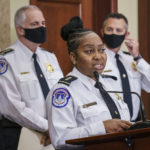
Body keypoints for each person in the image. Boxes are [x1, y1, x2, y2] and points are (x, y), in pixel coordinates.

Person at [46, 16, 132, 150]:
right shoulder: (63, 91)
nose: (98, 56)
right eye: (90, 51)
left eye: (102, 50)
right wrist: (103, 127)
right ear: (74, 57)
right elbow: (60, 139)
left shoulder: (108, 84)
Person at [0, 5, 63, 150]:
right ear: (20, 29)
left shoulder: (50, 57)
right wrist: (47, 127)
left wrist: (57, 127)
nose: (41, 28)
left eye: (43, 23)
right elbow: (12, 108)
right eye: (35, 24)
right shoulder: (5, 60)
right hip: (20, 135)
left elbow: (61, 94)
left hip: (53, 135)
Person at [100, 13, 150, 122]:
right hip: (109, 127)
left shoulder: (131, 59)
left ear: (126, 34)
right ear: (102, 32)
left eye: (118, 30)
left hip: (134, 125)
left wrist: (137, 58)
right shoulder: (96, 59)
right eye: (109, 29)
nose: (113, 33)